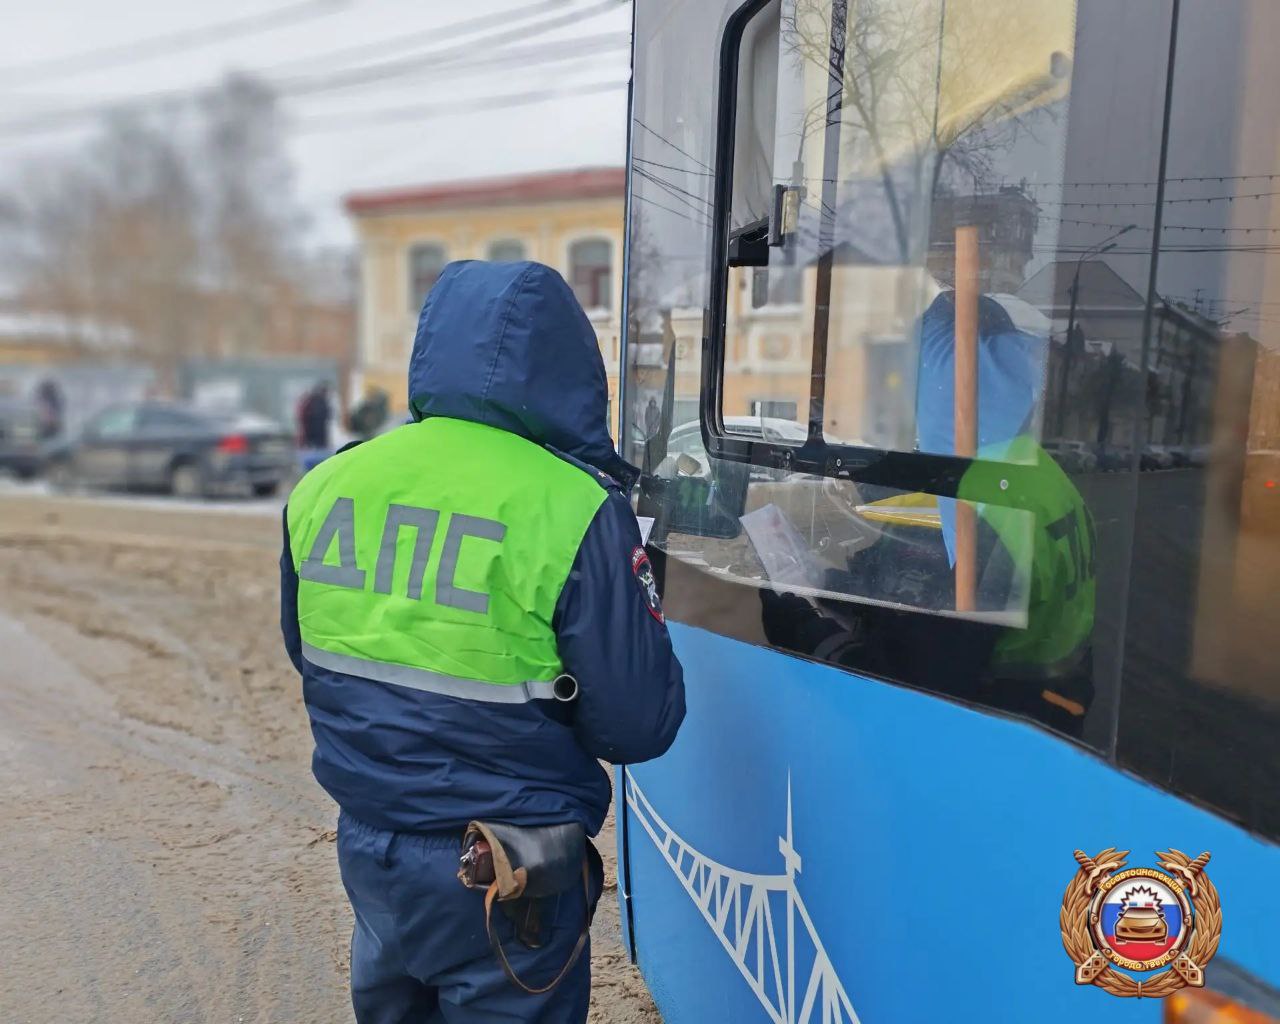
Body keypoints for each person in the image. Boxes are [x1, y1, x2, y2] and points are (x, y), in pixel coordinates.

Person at [279, 260, 686, 1023]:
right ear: (569, 367)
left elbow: (313, 654)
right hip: (510, 871)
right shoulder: (573, 504)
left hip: (371, 849)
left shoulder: (330, 483)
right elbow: (638, 724)